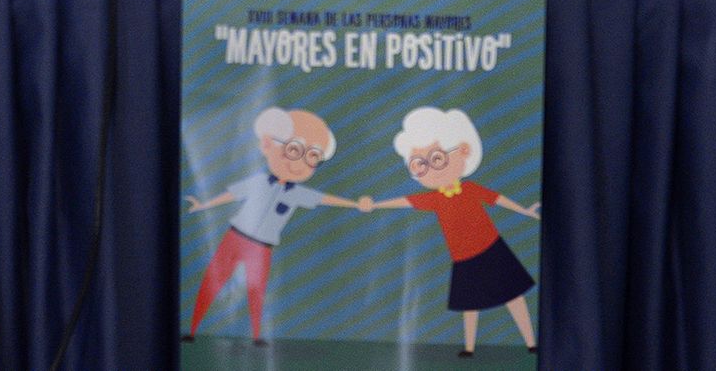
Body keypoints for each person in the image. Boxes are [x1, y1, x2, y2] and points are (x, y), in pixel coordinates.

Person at [358, 106, 539, 357]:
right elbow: (407, 201)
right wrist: (375, 204)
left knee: (514, 296)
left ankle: (531, 342)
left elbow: (497, 198)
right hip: (463, 257)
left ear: (463, 151)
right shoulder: (435, 199)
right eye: (420, 165)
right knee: (470, 305)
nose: (431, 169)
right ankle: (469, 347)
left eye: (437, 158)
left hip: (492, 248)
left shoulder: (471, 188)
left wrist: (525, 211)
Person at [184, 107, 359, 343]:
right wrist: (202, 206)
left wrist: (355, 204)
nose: (300, 162)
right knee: (212, 282)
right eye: (294, 149)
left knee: (257, 291)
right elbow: (231, 195)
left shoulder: (297, 193)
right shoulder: (258, 181)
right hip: (235, 238)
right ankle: (193, 330)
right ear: (268, 145)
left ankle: (257, 336)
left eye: (313, 156)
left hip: (261, 247)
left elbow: (324, 199)